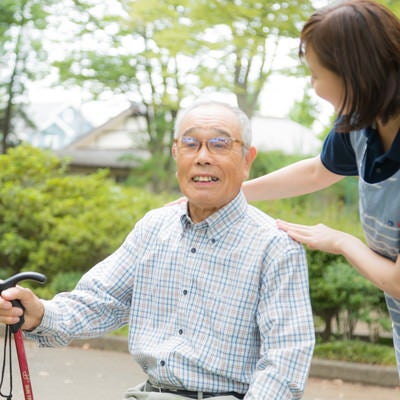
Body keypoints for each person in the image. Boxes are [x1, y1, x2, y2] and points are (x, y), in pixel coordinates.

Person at [0, 100, 315, 399]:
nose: (203, 157)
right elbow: (100, 301)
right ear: (176, 153)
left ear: (247, 160)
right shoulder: (153, 229)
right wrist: (39, 313)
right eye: (191, 144)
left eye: (219, 144)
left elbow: (285, 359)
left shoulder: (275, 246)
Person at [242, 0, 400, 377]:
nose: (313, 88)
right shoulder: (362, 123)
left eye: (315, 75)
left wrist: (340, 241)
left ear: (353, 72)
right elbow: (318, 172)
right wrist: (234, 193)